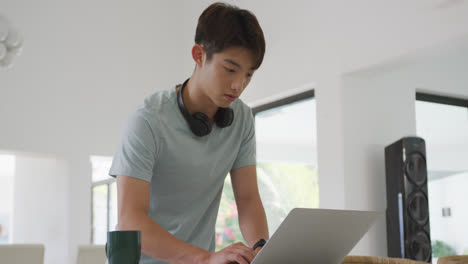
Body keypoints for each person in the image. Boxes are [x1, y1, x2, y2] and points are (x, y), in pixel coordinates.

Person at [109, 2, 269, 264]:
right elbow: (130, 220)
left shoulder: (241, 119)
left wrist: (262, 247)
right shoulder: (148, 120)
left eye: (248, 75)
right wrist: (205, 259)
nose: (238, 85)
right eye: (230, 69)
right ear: (198, 55)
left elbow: (248, 199)